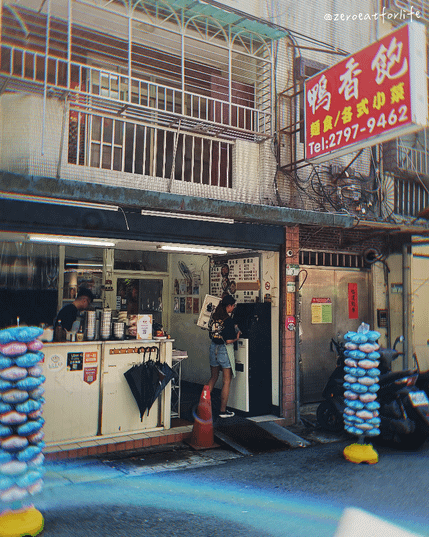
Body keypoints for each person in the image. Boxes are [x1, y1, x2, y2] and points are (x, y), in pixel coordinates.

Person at [207, 294, 241, 418]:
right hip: (223, 350)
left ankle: (203, 405)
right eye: (233, 306)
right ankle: (222, 411)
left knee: (213, 377)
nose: (233, 308)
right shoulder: (228, 320)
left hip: (213, 348)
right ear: (229, 306)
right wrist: (236, 338)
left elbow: (211, 334)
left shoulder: (214, 317)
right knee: (226, 381)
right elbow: (228, 340)